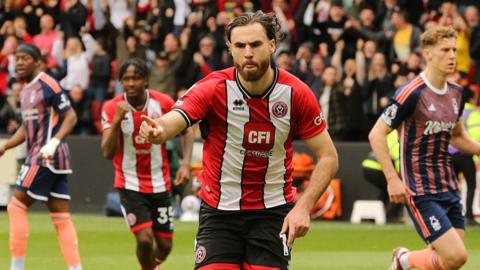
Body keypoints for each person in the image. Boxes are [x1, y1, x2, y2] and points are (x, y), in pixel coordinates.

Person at [140, 11, 339, 270]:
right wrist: (159, 130)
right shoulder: (213, 88)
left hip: (272, 213)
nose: (248, 53)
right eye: (240, 46)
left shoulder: (296, 94)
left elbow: (329, 157)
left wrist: (304, 205)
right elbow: (175, 118)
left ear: (272, 45)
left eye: (255, 44)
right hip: (219, 213)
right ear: (230, 49)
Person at [369, 26, 480, 270]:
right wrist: (392, 178)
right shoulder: (412, 92)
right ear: (428, 53)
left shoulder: (456, 93)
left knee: (448, 261)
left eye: (454, 49)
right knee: (456, 257)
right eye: (445, 50)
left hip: (449, 186)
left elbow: (458, 137)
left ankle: (404, 260)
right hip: (420, 190)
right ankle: (403, 259)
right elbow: (376, 133)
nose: (452, 55)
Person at [101, 58, 193, 270]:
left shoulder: (163, 103)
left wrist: (186, 163)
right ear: (121, 82)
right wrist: (117, 120)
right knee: (144, 239)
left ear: (146, 80)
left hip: (160, 183)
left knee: (165, 245)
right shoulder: (111, 107)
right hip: (129, 183)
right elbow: (107, 152)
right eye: (126, 79)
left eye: (136, 78)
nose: (131, 83)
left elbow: (187, 130)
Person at [0, 43, 82, 270]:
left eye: (25, 58)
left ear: (38, 62)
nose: (20, 62)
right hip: (52, 159)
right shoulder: (26, 90)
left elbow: (71, 117)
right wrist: (6, 145)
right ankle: (76, 268)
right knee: (61, 217)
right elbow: (26, 128)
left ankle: (16, 267)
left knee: (16, 206)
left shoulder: (47, 84)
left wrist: (54, 143)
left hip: (45, 156)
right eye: (17, 58)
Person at [449, 88, 480, 226]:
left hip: (449, 154)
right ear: (473, 99)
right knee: (471, 185)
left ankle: (450, 215)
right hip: (465, 154)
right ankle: (468, 216)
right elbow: (475, 134)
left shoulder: (454, 110)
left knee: (451, 187)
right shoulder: (474, 113)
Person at [362, 131, 403, 223]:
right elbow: (398, 159)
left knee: (386, 190)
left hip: (367, 165)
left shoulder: (391, 133)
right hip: (376, 168)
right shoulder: (398, 137)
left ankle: (375, 216)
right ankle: (391, 217)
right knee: (399, 189)